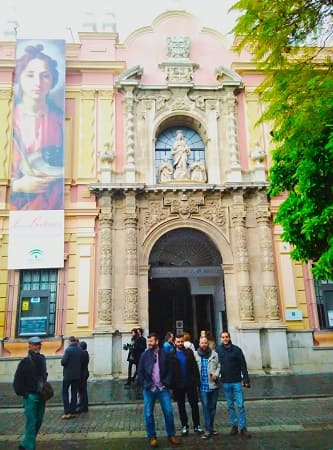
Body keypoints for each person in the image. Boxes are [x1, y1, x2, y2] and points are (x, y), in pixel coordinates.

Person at [10, 43, 64, 210]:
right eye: (30, 75)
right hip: (17, 207)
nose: (37, 82)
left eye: (44, 76)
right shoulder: (9, 119)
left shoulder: (60, 119)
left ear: (52, 79)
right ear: (19, 78)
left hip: (55, 204)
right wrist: (18, 186)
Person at [137, 332, 180, 448]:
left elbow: (170, 371)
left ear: (157, 342)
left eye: (151, 341)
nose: (149, 343)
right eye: (148, 341)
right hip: (149, 388)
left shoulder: (165, 355)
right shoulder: (144, 355)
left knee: (169, 412)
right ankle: (152, 437)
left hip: (162, 388)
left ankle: (171, 435)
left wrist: (167, 383)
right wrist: (145, 383)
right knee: (148, 413)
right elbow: (140, 371)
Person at [13, 336, 48, 450]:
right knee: (31, 423)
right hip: (31, 396)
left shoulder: (42, 359)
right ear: (30, 346)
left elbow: (43, 375)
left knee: (38, 421)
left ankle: (24, 444)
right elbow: (17, 380)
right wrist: (24, 393)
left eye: (39, 344)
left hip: (41, 395)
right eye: (35, 344)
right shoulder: (25, 362)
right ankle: (29, 447)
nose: (38, 346)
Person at [217, 330, 252, 439]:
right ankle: (234, 425)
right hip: (225, 382)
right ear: (220, 339)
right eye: (223, 337)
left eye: (226, 337)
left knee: (240, 405)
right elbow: (216, 365)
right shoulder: (218, 350)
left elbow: (243, 365)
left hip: (236, 381)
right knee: (230, 406)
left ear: (229, 337)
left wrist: (246, 379)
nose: (225, 339)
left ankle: (243, 427)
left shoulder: (237, 350)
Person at [170, 334, 204, 436]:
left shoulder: (189, 353)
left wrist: (197, 381)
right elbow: (171, 371)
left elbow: (194, 367)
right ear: (175, 342)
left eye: (181, 341)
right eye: (178, 341)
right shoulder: (171, 355)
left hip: (190, 383)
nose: (180, 343)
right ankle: (184, 425)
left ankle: (197, 425)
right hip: (178, 385)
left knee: (194, 405)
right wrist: (171, 386)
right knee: (181, 406)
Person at [194, 336, 220, 440]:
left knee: (212, 408)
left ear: (207, 344)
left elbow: (219, 366)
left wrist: (217, 375)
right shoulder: (195, 355)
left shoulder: (214, 354)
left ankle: (211, 427)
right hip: (202, 386)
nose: (204, 345)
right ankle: (208, 429)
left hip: (213, 385)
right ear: (199, 344)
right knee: (206, 408)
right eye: (202, 343)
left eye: (205, 343)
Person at [61, 336, 83, 419]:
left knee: (65, 392)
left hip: (68, 375)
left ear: (70, 341)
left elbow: (63, 362)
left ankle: (67, 412)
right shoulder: (80, 350)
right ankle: (73, 410)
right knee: (74, 393)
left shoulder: (68, 350)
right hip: (77, 375)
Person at [77, 340, 89, 413]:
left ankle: (83, 406)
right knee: (83, 390)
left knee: (82, 391)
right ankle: (83, 404)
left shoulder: (82, 354)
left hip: (82, 374)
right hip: (85, 373)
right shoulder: (86, 353)